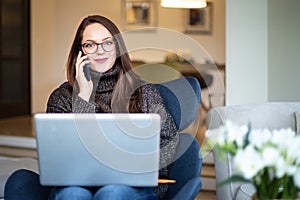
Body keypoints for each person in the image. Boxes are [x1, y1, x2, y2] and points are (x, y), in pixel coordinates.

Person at [4, 15, 179, 200]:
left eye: (107, 43)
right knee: (73, 193)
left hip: (132, 188)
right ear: (80, 52)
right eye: (90, 44)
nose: (100, 51)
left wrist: (137, 167)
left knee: (112, 192)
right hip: (74, 185)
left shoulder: (144, 92)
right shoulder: (61, 98)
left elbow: (169, 143)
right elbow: (61, 159)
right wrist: (83, 98)